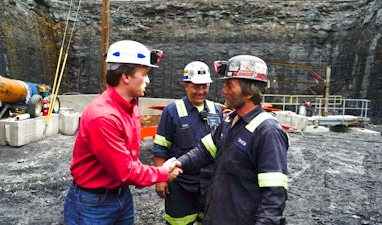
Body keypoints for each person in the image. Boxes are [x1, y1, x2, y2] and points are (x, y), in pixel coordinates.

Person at [63, 40, 182, 225]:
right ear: (126, 77)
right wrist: (161, 173)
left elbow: (129, 160)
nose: (148, 80)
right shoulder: (102, 117)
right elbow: (125, 171)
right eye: (144, 74)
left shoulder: (130, 106)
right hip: (93, 204)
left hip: (121, 195)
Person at [177, 55, 289, 225]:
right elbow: (204, 151)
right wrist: (178, 164)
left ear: (249, 92)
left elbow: (274, 195)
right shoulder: (229, 120)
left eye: (230, 86)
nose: (223, 91)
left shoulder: (268, 132)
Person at [152, 61, 223, 225]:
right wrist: (160, 179)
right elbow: (160, 148)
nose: (200, 91)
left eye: (204, 86)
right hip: (180, 185)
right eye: (196, 87)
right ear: (186, 86)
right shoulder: (172, 111)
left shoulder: (216, 110)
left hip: (209, 185)